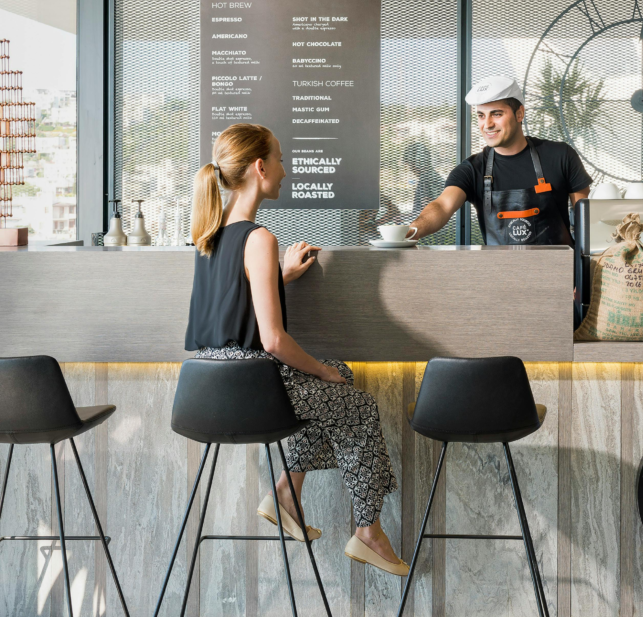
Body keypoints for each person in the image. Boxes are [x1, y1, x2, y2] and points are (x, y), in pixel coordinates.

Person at [183, 123, 408, 576]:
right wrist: (322, 375)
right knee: (357, 406)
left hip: (209, 387)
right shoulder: (259, 238)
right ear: (260, 167)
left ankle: (287, 493)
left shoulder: (209, 234)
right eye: (281, 160)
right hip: (252, 383)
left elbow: (233, 303)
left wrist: (279, 277)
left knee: (336, 371)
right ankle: (369, 531)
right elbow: (271, 340)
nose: (286, 171)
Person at [408, 76, 592, 245]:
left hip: (559, 274)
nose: (487, 124)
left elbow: (585, 221)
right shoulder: (472, 169)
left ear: (519, 114)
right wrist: (410, 232)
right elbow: (442, 206)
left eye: (496, 114)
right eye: (481, 115)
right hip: (499, 276)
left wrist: (581, 274)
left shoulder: (561, 156)